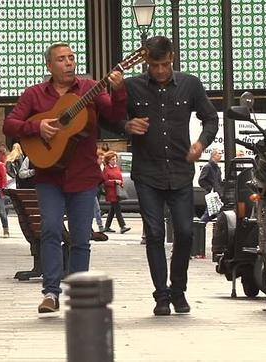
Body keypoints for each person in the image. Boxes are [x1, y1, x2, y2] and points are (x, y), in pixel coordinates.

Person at [3, 42, 126, 313]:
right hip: (49, 176)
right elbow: (10, 124)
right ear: (49, 65)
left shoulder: (89, 89)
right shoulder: (35, 95)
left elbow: (116, 116)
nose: (69, 63)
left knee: (82, 237)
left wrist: (118, 91)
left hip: (83, 176)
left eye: (71, 58)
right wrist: (38, 126)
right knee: (49, 229)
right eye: (61, 59)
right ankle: (50, 292)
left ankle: (79, 295)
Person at [124, 36, 218, 316]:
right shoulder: (132, 88)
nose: (161, 71)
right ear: (146, 63)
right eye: (155, 66)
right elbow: (107, 117)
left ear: (172, 58)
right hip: (147, 172)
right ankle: (161, 296)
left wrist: (201, 143)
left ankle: (178, 290)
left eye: (165, 64)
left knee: (186, 232)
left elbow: (210, 118)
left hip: (179, 170)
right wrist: (126, 125)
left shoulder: (190, 84)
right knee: (154, 233)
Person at [101, 151, 131, 234]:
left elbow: (120, 177)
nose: (114, 161)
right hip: (111, 192)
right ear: (108, 160)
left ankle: (107, 226)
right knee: (117, 209)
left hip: (117, 191)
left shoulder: (117, 167)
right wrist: (114, 181)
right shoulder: (106, 169)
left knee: (112, 209)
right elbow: (105, 182)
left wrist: (121, 182)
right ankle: (122, 226)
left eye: (115, 159)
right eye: (112, 159)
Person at [198, 149, 223, 222]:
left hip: (217, 194)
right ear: (214, 155)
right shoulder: (208, 167)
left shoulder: (217, 168)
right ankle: (200, 227)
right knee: (211, 213)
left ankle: (200, 226)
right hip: (212, 194)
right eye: (219, 153)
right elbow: (201, 180)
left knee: (211, 213)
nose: (221, 155)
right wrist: (210, 188)